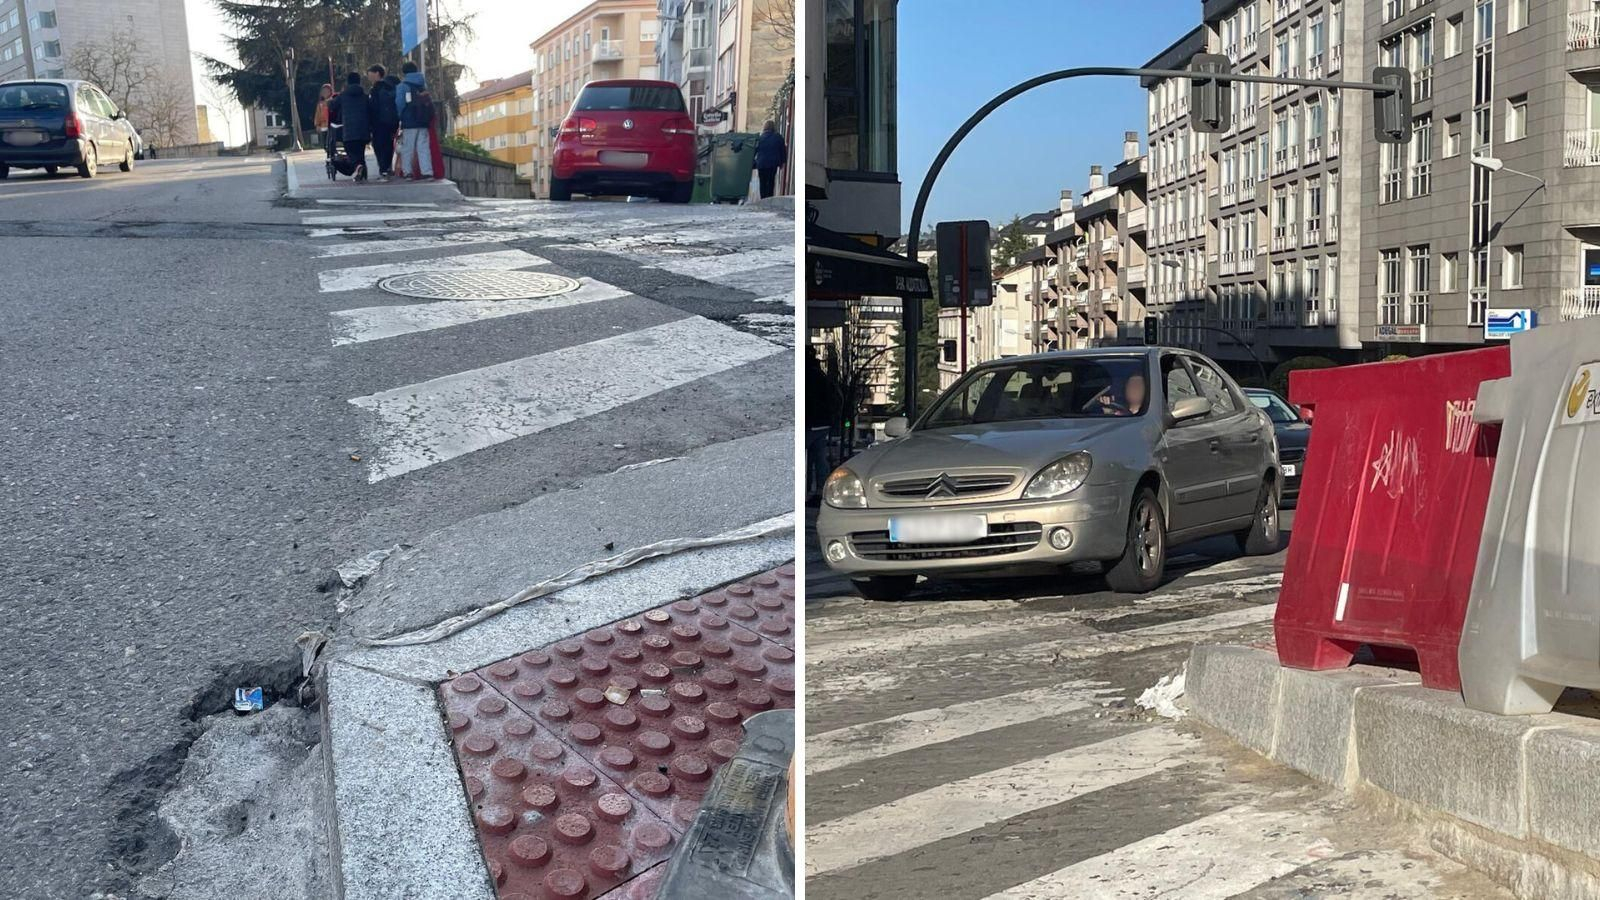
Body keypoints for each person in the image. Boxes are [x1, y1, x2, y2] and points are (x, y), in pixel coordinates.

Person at [394, 61, 435, 180]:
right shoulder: (423, 84)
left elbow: (399, 103)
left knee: (408, 148)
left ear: (404, 72)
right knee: (423, 147)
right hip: (423, 120)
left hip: (409, 121)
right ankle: (427, 172)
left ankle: (408, 172)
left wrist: (400, 116)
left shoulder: (403, 86)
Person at [330, 73, 372, 181]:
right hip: (363, 130)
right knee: (360, 153)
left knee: (352, 154)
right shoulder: (364, 95)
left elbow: (332, 106)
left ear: (348, 82)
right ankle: (361, 174)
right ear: (359, 82)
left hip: (349, 131)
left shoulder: (343, 96)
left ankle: (358, 168)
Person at [366, 65, 399, 180]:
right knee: (388, 145)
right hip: (391, 122)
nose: (369, 77)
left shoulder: (377, 88)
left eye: (370, 74)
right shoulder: (391, 87)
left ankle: (384, 169)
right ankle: (386, 168)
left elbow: (373, 107)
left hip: (378, 122)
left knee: (379, 145)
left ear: (377, 73)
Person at [754, 120, 786, 200]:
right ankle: (769, 198)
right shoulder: (778, 137)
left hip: (761, 164)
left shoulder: (760, 138)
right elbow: (782, 150)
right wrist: (782, 162)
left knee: (763, 182)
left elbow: (754, 150)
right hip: (773, 164)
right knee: (771, 181)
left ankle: (763, 199)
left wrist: (753, 162)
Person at [313, 84, 335, 159]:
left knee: (332, 142)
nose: (325, 93)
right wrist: (317, 125)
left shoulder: (334, 100)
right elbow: (317, 115)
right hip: (324, 126)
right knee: (325, 144)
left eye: (327, 91)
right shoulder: (320, 104)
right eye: (323, 91)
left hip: (332, 125)